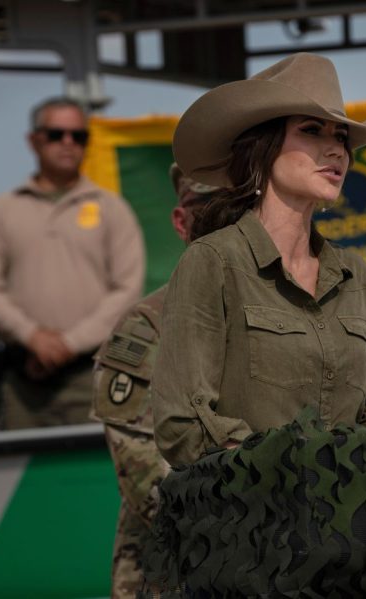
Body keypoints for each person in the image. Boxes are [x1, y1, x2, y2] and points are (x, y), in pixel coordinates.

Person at [152, 52, 366, 467]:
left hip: (350, 508)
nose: (336, 150)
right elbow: (183, 424)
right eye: (312, 130)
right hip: (251, 506)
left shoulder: (355, 275)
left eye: (341, 137)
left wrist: (346, 482)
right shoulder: (213, 261)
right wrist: (289, 477)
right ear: (263, 148)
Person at [0, 97, 145, 429]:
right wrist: (32, 337)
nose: (68, 143)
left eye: (79, 136)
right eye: (56, 134)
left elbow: (128, 290)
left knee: (93, 463)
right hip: (22, 383)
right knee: (21, 463)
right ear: (34, 140)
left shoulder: (112, 209)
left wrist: (69, 344)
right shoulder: (1, 211)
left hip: (93, 375)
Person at [91, 165, 216, 598]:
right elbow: (143, 470)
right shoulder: (147, 326)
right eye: (208, 208)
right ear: (182, 222)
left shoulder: (280, 315)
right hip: (176, 571)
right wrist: (240, 534)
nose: (225, 219)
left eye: (238, 206)